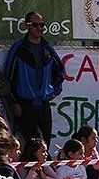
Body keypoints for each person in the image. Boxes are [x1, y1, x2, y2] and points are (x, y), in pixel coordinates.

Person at [4, 11, 64, 147]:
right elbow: (9, 78)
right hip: (25, 105)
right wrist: (14, 102)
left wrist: (54, 91)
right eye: (35, 24)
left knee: (45, 145)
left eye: (42, 25)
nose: (39, 28)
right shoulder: (19, 49)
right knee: (35, 145)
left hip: (43, 105)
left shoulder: (47, 48)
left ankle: (37, 168)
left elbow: (59, 71)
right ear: (27, 26)